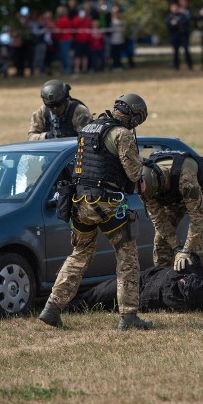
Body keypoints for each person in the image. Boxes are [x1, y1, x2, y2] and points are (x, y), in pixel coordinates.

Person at [39, 93, 153, 330]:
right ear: (133, 116)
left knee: (80, 254)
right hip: (107, 205)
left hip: (80, 203)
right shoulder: (121, 134)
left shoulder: (90, 127)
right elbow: (133, 173)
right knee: (127, 257)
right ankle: (129, 316)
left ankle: (52, 307)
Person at [136, 151, 203, 289]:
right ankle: (162, 285)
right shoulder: (144, 187)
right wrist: (176, 248)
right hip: (173, 196)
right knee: (160, 240)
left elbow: (198, 216)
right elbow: (159, 220)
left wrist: (185, 251)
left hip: (201, 191)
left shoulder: (186, 179)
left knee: (201, 239)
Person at [27, 79, 92, 141]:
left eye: (58, 104)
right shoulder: (42, 112)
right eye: (51, 106)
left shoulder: (79, 111)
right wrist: (46, 136)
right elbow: (31, 137)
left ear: (65, 100)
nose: (55, 108)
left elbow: (88, 138)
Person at [166, 2, 194, 70]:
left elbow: (185, 23)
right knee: (176, 52)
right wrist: (176, 24)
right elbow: (168, 25)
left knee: (186, 50)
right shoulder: (169, 16)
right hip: (174, 35)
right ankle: (176, 66)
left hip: (183, 35)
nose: (175, 9)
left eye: (176, 7)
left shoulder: (183, 15)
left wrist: (176, 24)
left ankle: (189, 65)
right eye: (173, 8)